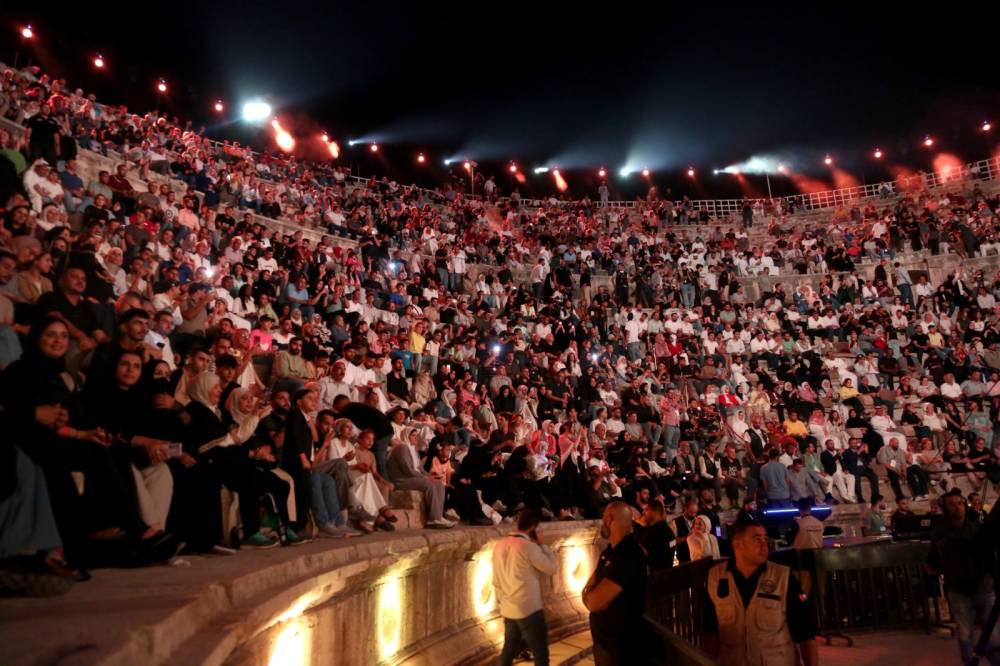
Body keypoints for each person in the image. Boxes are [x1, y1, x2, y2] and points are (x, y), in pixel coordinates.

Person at [703, 520, 819, 666]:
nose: (765, 545)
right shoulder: (715, 577)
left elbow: (805, 632)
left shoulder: (783, 577)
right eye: (757, 539)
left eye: (765, 539)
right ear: (737, 544)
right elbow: (710, 630)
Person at [927, 490, 1000, 665]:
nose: (957, 508)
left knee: (993, 635)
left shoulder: (977, 526)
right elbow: (932, 563)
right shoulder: (940, 532)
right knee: (965, 635)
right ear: (945, 508)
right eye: (952, 505)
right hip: (958, 589)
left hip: (983, 587)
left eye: (960, 503)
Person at [583, 501, 650, 665]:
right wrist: (590, 594)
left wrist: (589, 595)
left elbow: (594, 602)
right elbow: (588, 588)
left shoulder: (628, 554)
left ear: (609, 519)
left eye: (603, 517)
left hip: (620, 646)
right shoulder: (609, 552)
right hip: (605, 642)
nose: (602, 522)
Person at [492, 509, 558, 666]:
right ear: (533, 528)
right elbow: (551, 568)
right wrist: (542, 545)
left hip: (508, 607)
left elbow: (496, 580)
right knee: (541, 655)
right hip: (529, 609)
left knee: (508, 650)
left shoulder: (499, 545)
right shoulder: (528, 547)